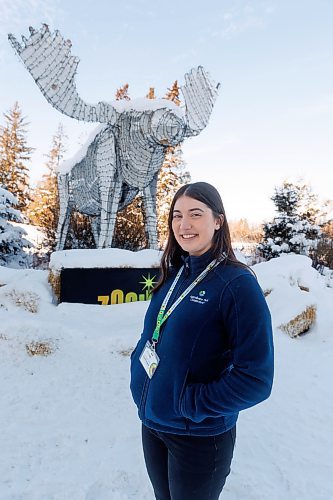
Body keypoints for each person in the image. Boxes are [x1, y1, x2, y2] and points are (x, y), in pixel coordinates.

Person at [130, 182, 274, 500]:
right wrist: (141, 381)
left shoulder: (237, 284)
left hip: (197, 437)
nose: (184, 225)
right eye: (177, 215)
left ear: (218, 221)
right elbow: (151, 336)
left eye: (196, 214)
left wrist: (189, 403)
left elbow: (256, 379)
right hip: (154, 422)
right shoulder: (175, 273)